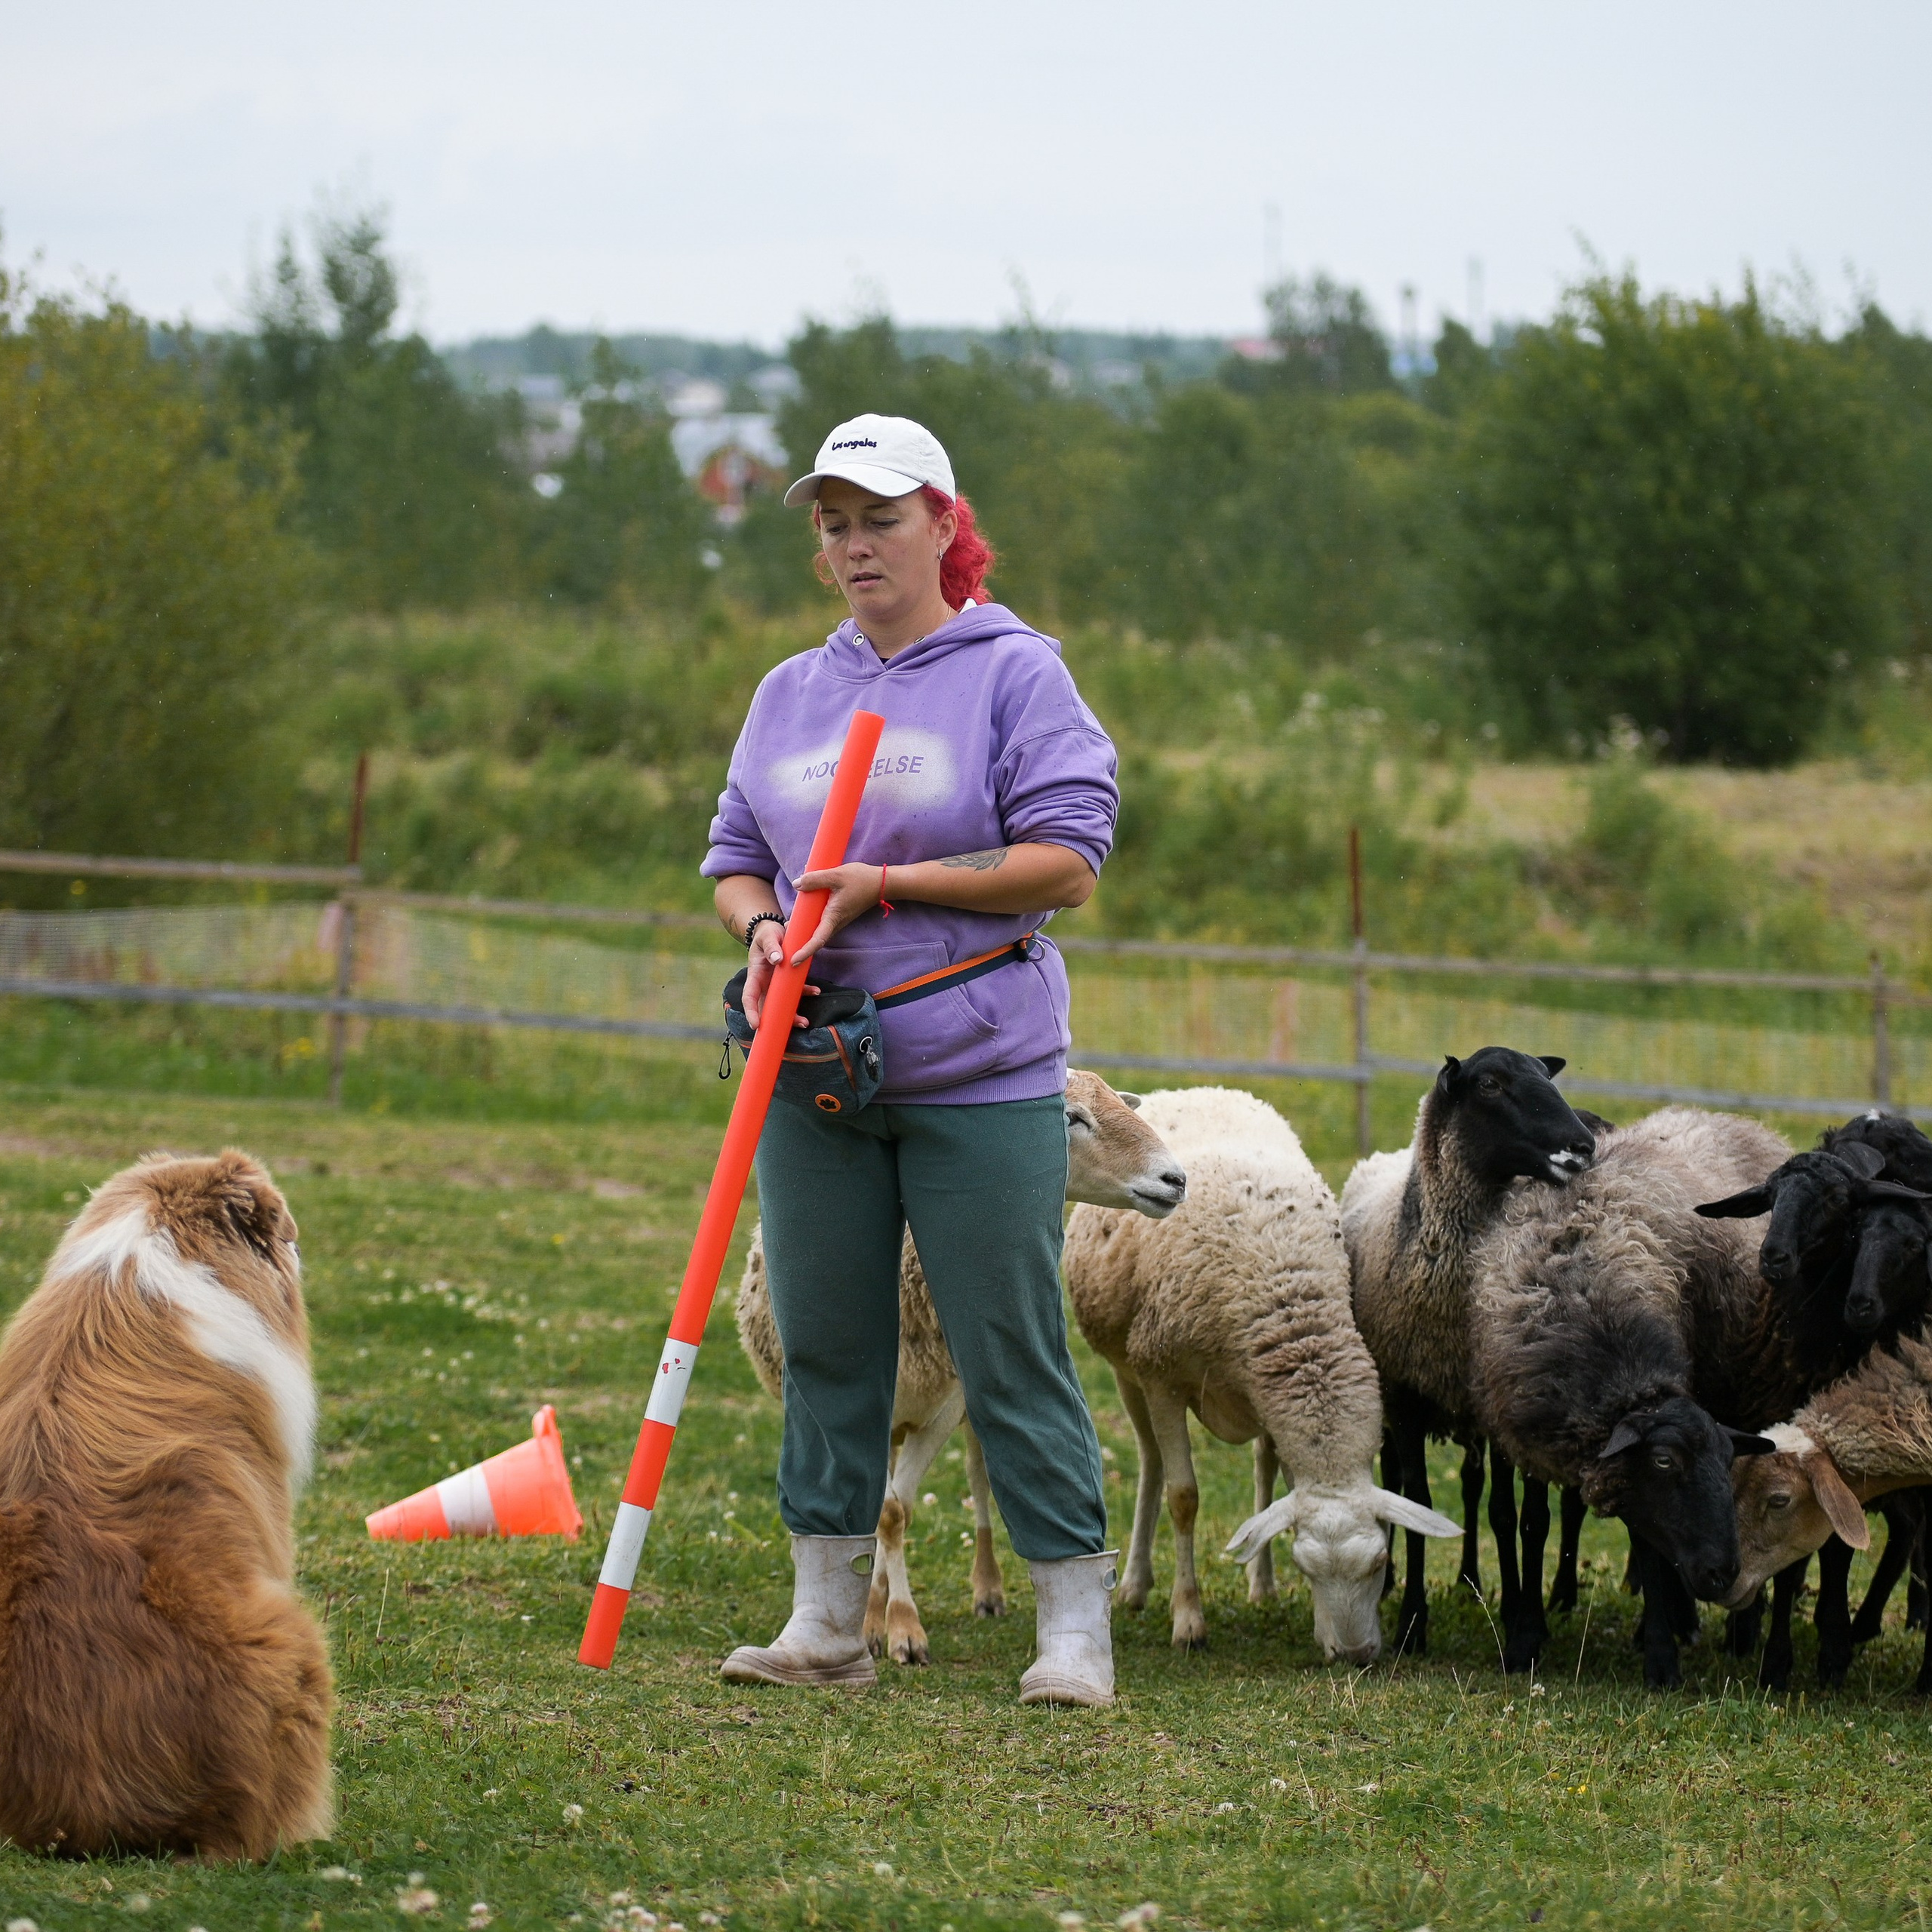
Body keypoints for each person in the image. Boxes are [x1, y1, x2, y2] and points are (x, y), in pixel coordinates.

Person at [703, 414, 1121, 1706]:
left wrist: (888, 882)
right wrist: (768, 923)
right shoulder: (790, 692)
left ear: (946, 522)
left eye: (879, 517)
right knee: (828, 1340)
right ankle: (824, 1625)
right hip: (817, 1066)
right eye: (832, 524)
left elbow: (1069, 861)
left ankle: (1073, 1635)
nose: (851, 544)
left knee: (1007, 1340)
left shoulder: (1017, 675)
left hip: (980, 1070)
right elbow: (734, 853)